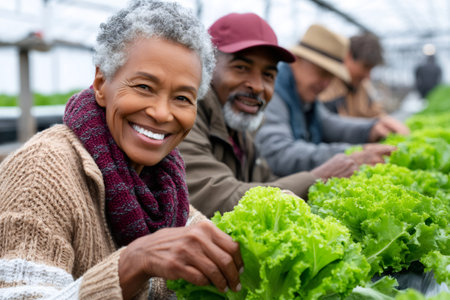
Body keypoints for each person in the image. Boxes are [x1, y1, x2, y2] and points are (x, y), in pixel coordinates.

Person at [0, 1, 243, 299]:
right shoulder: (41, 170)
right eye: (144, 87)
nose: (162, 113)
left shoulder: (166, 187)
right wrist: (133, 262)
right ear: (101, 83)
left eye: (182, 98)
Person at [178, 13, 387, 218]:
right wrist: (318, 178)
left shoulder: (239, 124)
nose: (258, 86)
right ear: (207, 65)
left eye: (268, 75)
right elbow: (220, 197)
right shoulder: (185, 116)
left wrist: (371, 129)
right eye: (241, 68)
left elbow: (266, 179)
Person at [254, 24, 409, 176]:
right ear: (297, 60)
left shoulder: (302, 94)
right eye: (322, 73)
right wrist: (352, 154)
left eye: (331, 77)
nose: (326, 84)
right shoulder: (273, 93)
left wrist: (372, 128)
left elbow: (328, 122)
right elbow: (280, 154)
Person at [318, 32, 388, 118]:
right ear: (348, 56)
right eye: (365, 67)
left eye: (371, 69)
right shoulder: (326, 87)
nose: (368, 76)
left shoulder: (364, 87)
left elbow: (378, 114)